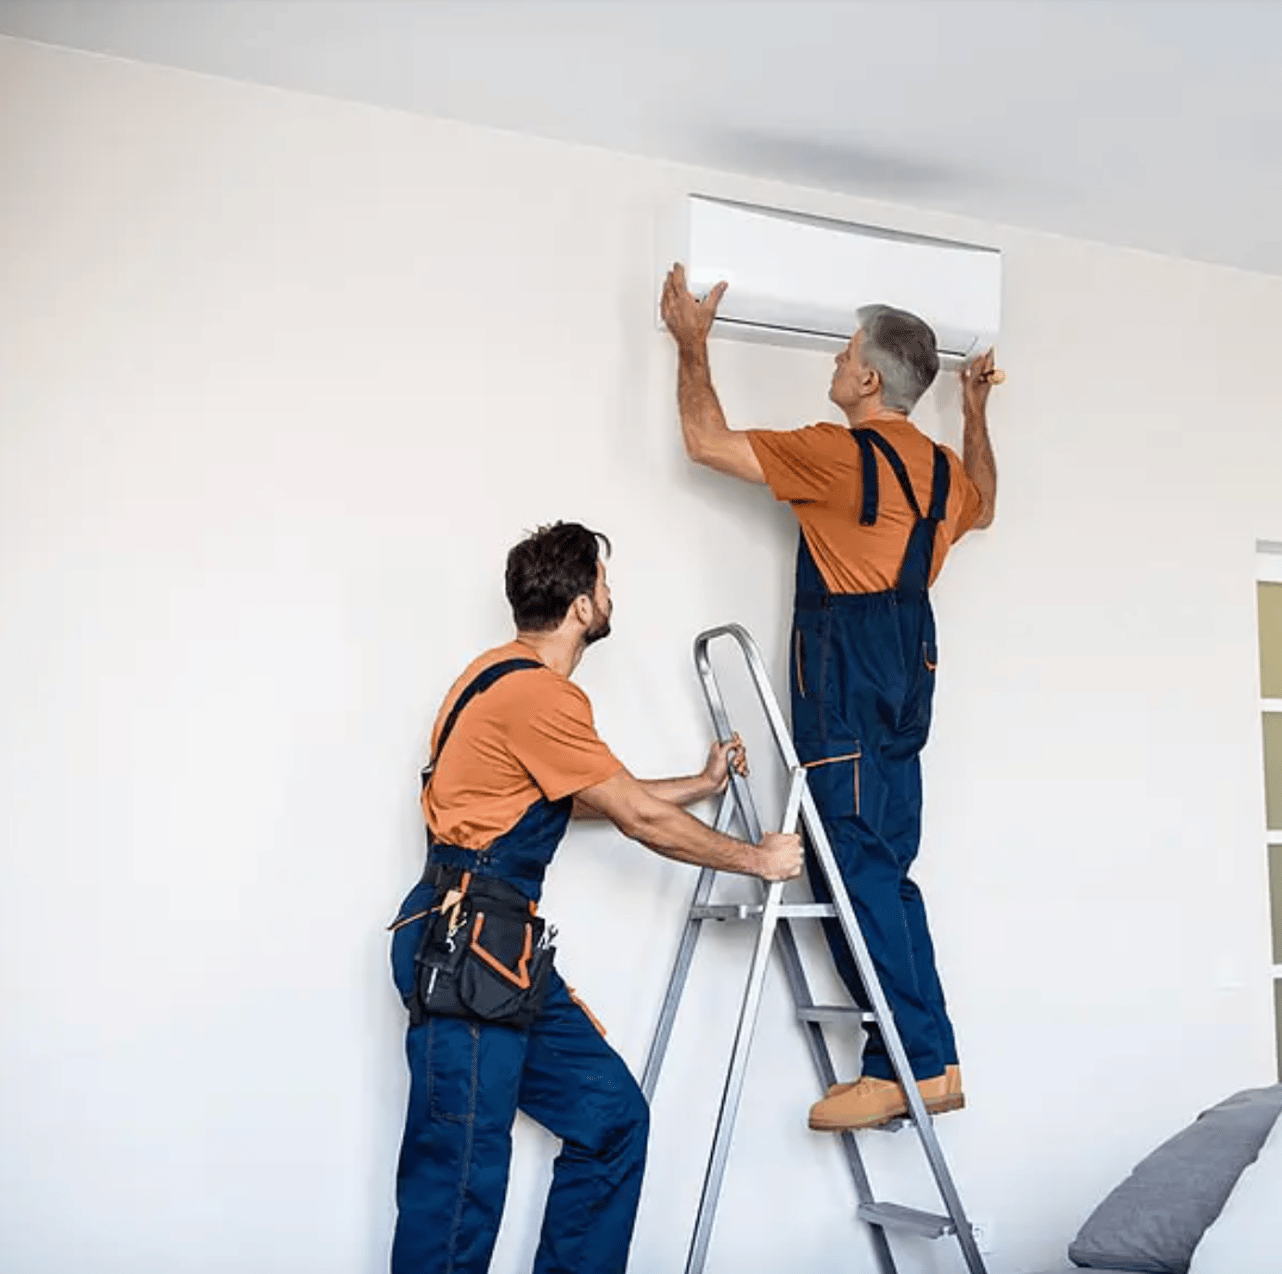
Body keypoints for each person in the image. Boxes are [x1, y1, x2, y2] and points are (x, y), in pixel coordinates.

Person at [385, 520, 802, 1274]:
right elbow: (636, 818)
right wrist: (759, 859)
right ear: (582, 606)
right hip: (471, 950)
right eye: (605, 584)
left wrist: (699, 785)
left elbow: (577, 798)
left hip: (493, 950)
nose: (611, 597)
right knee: (458, 1186)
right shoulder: (542, 697)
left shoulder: (489, 678)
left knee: (610, 1118)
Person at [659, 264, 999, 1132]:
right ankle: (929, 1059)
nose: (839, 363)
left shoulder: (836, 452)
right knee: (888, 871)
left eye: (847, 353)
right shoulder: (944, 475)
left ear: (870, 380)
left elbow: (705, 439)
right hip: (910, 669)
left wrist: (692, 344)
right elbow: (987, 506)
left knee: (853, 872)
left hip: (845, 680)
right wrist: (976, 414)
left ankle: (913, 1064)